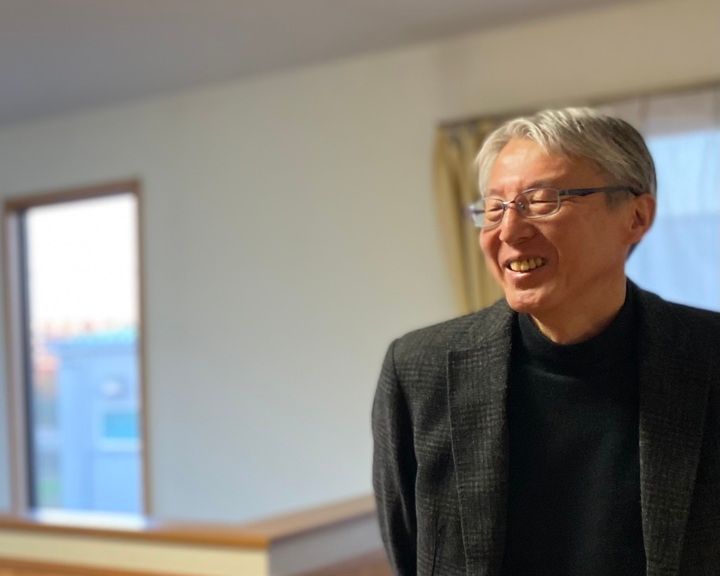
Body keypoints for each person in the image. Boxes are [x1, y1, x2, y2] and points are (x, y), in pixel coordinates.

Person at [372, 107, 720, 576]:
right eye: (493, 208)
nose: (509, 231)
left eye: (542, 201)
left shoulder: (708, 357)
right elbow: (410, 552)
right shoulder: (420, 371)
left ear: (636, 217)